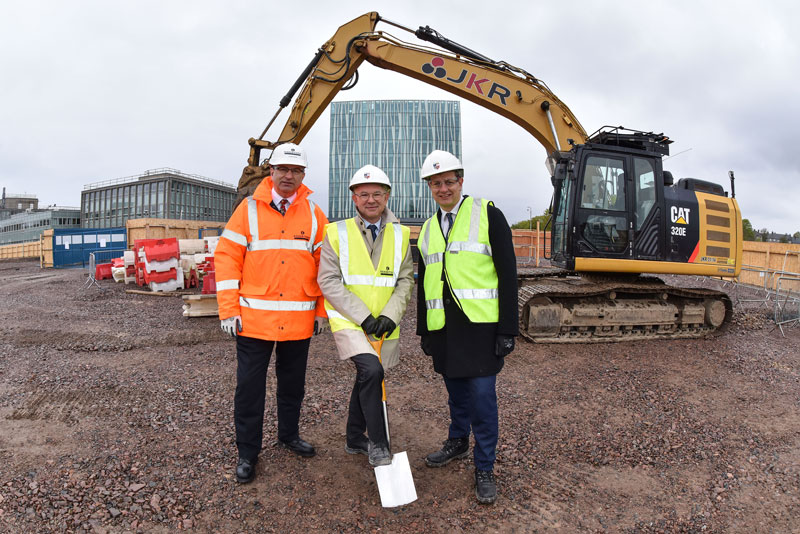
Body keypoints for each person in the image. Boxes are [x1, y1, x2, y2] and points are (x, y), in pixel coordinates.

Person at [214, 142, 330, 484]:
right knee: (249, 389)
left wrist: (322, 310)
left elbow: (326, 266)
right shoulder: (248, 210)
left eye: (295, 171)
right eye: (283, 169)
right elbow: (226, 259)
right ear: (271, 171)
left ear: (303, 175)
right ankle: (247, 453)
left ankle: (288, 435)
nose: (288, 176)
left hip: (299, 321)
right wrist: (227, 310)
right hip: (253, 322)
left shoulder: (313, 213)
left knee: (292, 387)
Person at [415, 150, 518, 504]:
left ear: (461, 181)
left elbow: (507, 274)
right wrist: (425, 331)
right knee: (456, 394)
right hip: (444, 328)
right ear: (430, 187)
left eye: (448, 181)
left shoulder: (488, 214)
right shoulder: (428, 228)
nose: (443, 188)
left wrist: (508, 329)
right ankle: (458, 441)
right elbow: (423, 282)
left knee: (483, 400)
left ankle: (485, 466)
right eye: (436, 183)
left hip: (481, 328)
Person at [317, 164, 414, 467]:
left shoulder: (401, 235)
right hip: (349, 321)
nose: (371, 200)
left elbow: (405, 280)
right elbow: (328, 280)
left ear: (387, 196)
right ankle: (379, 444)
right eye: (364, 194)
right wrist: (363, 317)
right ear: (354, 198)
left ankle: (353, 436)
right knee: (372, 371)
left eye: (377, 194)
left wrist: (390, 315)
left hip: (385, 323)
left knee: (367, 377)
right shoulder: (336, 232)